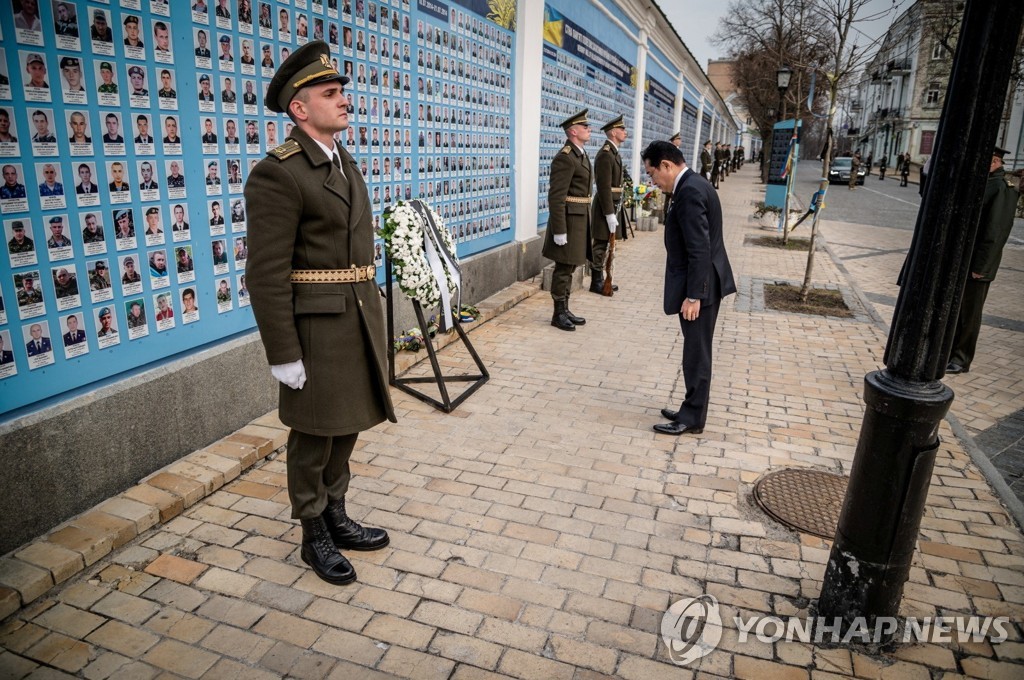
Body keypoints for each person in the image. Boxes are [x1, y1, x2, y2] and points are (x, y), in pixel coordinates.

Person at [246, 41, 395, 586]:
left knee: (348, 424)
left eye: (341, 92)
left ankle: (336, 511)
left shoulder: (341, 160)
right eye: (330, 94)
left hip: (355, 318)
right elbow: (264, 274)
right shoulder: (279, 174)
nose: (343, 101)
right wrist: (283, 354)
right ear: (299, 109)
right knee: (313, 435)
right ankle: (313, 533)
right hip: (315, 329)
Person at [642, 140, 736, 436]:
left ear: (666, 166)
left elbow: (700, 249)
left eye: (652, 173)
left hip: (701, 287)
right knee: (695, 350)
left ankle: (692, 417)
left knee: (696, 353)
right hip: (703, 282)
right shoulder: (693, 183)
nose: (653, 181)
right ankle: (690, 406)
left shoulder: (691, 191)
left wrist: (694, 295)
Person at [945, 146, 1019, 374]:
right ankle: (950, 353)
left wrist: (981, 267)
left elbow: (995, 233)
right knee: (958, 309)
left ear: (994, 161)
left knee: (970, 312)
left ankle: (961, 358)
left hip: (978, 265)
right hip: (966, 260)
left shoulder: (1001, 188)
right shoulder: (985, 184)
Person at [542, 108, 592, 331]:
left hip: (579, 219)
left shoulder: (580, 154)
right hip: (568, 222)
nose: (588, 129)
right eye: (584, 127)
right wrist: (559, 230)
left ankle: (565, 308)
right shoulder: (565, 158)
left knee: (570, 267)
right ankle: (557, 313)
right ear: (573, 131)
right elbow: (556, 196)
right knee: (563, 269)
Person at [589, 115, 626, 295]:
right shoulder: (605, 154)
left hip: (613, 204)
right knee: (600, 244)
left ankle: (603, 278)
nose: (625, 132)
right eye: (622, 129)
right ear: (613, 132)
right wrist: (609, 213)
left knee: (607, 245)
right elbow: (604, 187)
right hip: (606, 206)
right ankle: (596, 281)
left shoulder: (613, 152)